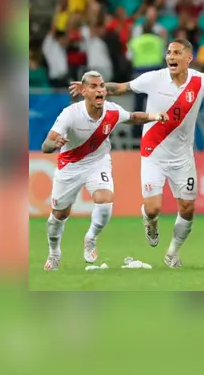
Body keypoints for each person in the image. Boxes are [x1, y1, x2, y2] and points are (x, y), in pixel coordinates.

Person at [68, 40, 204, 268]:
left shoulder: (201, 81)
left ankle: (173, 253)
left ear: (189, 58)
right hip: (153, 154)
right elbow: (121, 88)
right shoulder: (154, 78)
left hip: (183, 158)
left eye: (177, 53)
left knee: (187, 210)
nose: (171, 57)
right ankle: (150, 221)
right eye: (168, 53)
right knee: (153, 208)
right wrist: (93, 87)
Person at [42, 71, 167, 270]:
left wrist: (155, 116)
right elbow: (46, 145)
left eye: (101, 86)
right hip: (70, 166)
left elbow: (133, 117)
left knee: (105, 201)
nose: (99, 90)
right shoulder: (70, 114)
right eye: (93, 86)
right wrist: (53, 144)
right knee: (59, 215)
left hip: (97, 163)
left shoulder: (112, 111)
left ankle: (91, 238)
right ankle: (54, 252)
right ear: (83, 91)